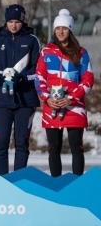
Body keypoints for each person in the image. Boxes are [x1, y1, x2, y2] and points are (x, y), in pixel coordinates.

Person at [0, 4, 40, 175]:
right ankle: (2, 181)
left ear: (23, 21)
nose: (13, 25)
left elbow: (39, 71)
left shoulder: (32, 40)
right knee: (1, 143)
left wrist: (23, 78)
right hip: (2, 101)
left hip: (26, 100)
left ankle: (19, 181)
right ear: (6, 22)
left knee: (21, 143)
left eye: (17, 22)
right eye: (10, 22)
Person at [35, 9, 94, 176]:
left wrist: (71, 98)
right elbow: (39, 78)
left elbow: (88, 79)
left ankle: (77, 184)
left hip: (75, 107)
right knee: (54, 148)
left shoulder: (81, 53)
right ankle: (56, 184)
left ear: (70, 30)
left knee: (77, 148)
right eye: (58, 28)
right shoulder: (45, 52)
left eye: (65, 28)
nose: (60, 31)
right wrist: (46, 98)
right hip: (52, 106)